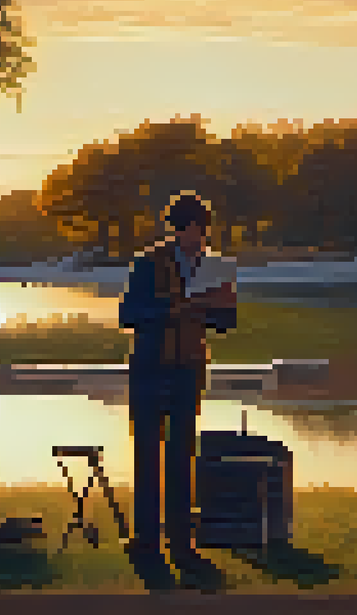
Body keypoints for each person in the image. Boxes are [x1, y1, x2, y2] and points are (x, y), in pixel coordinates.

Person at [118, 191, 237, 587]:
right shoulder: (148, 264)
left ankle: (182, 544)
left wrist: (218, 306)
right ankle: (147, 542)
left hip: (188, 369)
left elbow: (225, 323)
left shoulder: (213, 266)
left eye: (201, 230)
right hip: (151, 368)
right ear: (177, 229)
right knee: (148, 457)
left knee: (182, 458)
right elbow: (128, 314)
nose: (196, 238)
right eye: (189, 230)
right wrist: (173, 310)